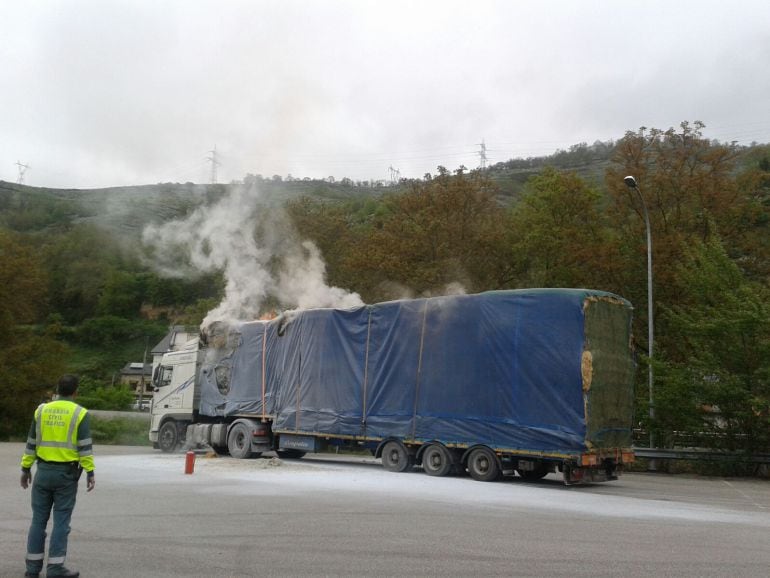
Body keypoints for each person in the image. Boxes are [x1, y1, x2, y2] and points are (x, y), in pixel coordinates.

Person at [20, 375, 95, 578]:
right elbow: (84, 447)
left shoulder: (41, 410)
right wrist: (90, 472)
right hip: (66, 475)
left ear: (57, 389)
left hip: (42, 472)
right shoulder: (80, 413)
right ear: (75, 392)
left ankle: (32, 569)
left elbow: (31, 442)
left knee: (38, 521)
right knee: (61, 522)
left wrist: (26, 469)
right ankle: (55, 569)